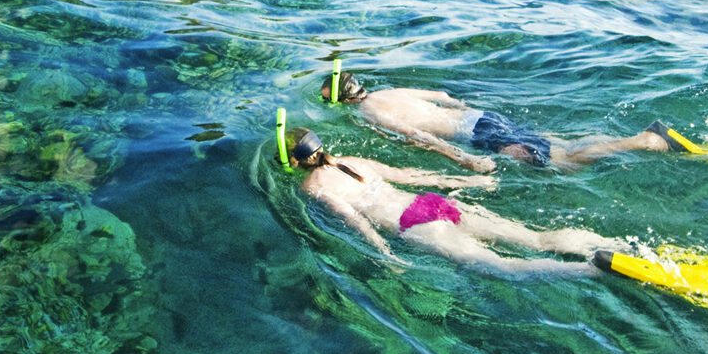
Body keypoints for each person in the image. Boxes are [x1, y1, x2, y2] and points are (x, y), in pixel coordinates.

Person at [279, 126, 628, 278]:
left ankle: (589, 272)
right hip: (429, 203)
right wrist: (466, 180)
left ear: (294, 161)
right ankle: (611, 246)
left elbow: (353, 219)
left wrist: (384, 254)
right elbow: (412, 175)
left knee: (497, 265)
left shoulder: (313, 187)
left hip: (411, 225)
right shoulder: (354, 161)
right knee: (534, 239)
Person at [319, 67, 673, 172]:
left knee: (560, 163)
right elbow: (442, 97)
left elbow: (419, 137)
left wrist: (465, 159)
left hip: (474, 135)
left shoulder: (370, 112)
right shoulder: (388, 92)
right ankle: (629, 140)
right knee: (556, 143)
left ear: (340, 100)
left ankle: (644, 141)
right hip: (481, 116)